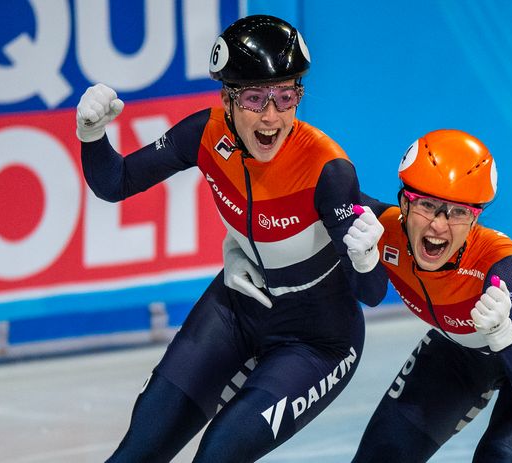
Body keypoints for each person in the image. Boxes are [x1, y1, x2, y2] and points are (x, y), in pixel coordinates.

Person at [75, 15, 387, 462]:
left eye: (285, 97)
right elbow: (116, 181)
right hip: (237, 311)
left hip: (318, 341)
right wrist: (92, 135)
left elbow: (371, 295)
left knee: (218, 455)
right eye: (255, 98)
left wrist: (366, 258)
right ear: (227, 98)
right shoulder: (204, 134)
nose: (271, 116)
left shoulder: (327, 167)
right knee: (138, 451)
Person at [350, 129, 512, 462]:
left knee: (500, 458)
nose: (439, 226)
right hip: (462, 349)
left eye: (458, 212)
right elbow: (315, 182)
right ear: (404, 203)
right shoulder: (379, 229)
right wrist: (363, 263)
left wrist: (504, 335)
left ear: (475, 219)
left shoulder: (503, 268)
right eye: (427, 205)